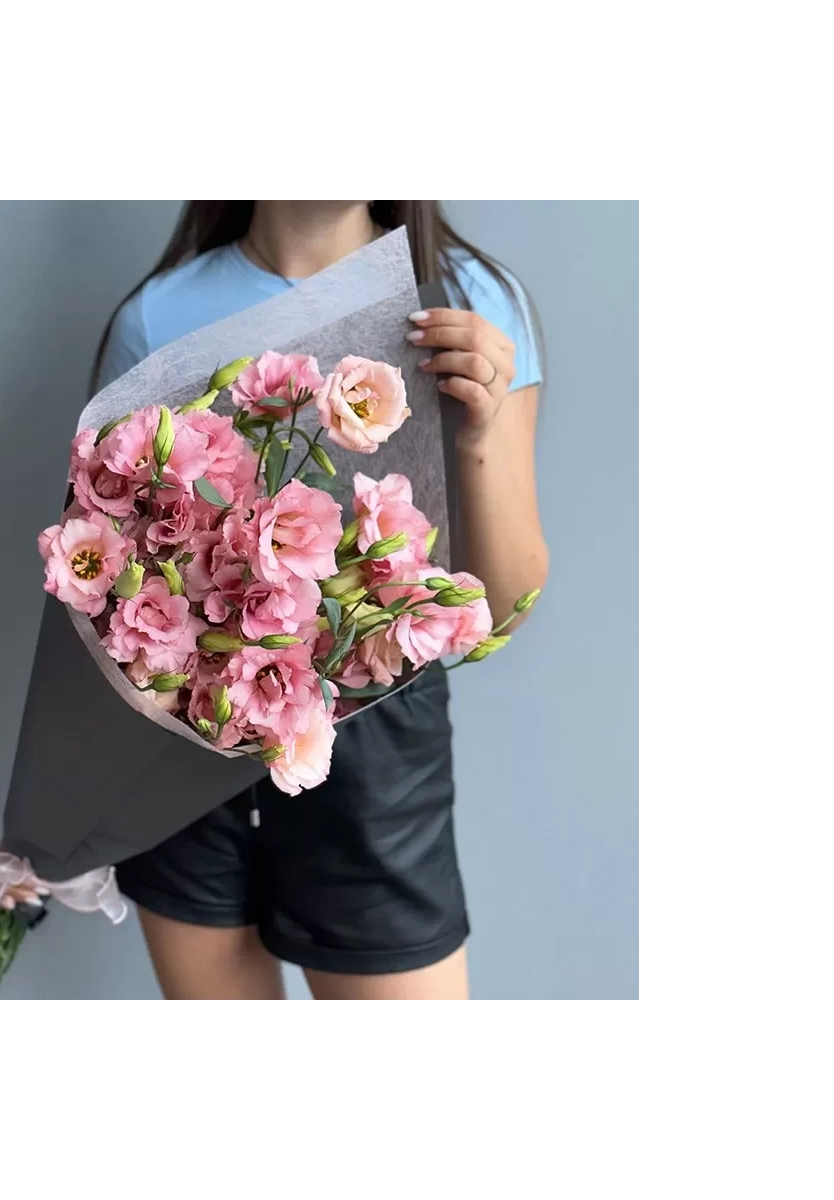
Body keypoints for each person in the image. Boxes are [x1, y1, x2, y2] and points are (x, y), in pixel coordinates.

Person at [95, 201, 548, 1000]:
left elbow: (507, 599)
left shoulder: (467, 300)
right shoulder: (157, 315)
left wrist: (478, 433)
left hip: (377, 735)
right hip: (179, 736)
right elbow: (115, 589)